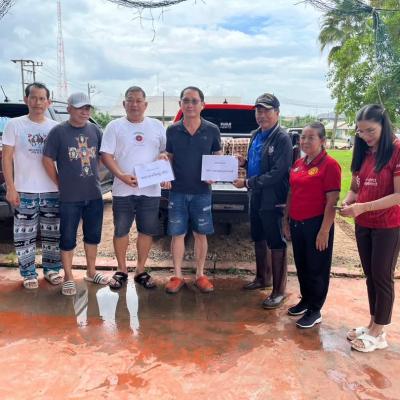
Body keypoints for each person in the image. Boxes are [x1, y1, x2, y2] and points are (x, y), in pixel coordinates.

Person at [340, 104, 400, 352]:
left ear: (384, 125)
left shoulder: (396, 150)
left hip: (388, 224)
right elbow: (356, 187)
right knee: (370, 275)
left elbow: (398, 196)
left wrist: (363, 207)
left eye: (370, 131)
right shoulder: (364, 151)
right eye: (360, 131)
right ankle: (372, 323)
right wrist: (348, 202)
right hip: (364, 224)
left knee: (382, 276)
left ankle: (379, 332)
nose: (365, 136)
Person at [100, 86, 167, 290]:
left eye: (138, 101)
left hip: (150, 190)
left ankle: (140, 270)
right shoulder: (114, 126)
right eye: (130, 100)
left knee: (146, 231)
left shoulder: (157, 126)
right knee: (121, 230)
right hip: (123, 190)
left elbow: (165, 152)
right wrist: (121, 175)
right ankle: (121, 270)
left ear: (145, 104)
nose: (134, 104)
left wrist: (163, 160)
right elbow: (106, 155)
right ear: (124, 104)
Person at [43, 92, 109, 296]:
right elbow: (47, 159)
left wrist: (94, 175)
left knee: (93, 236)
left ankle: (91, 272)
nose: (85, 111)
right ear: (69, 109)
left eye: (87, 108)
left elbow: (101, 156)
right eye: (80, 107)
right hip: (69, 197)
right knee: (68, 238)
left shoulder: (95, 130)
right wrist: (59, 182)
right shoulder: (58, 132)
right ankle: (69, 277)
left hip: (94, 194)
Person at [233, 93, 292, 309]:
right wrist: (244, 162)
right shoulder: (255, 134)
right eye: (258, 111)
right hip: (256, 194)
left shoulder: (282, 138)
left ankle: (279, 291)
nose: (262, 115)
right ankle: (262, 278)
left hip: (273, 197)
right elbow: (259, 162)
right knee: (258, 236)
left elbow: (278, 172)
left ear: (277, 113)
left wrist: (248, 182)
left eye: (267, 110)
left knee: (276, 241)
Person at [2, 82, 62, 289]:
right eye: (33, 98)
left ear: (48, 102)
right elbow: (6, 158)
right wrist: (11, 187)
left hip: (52, 189)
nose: (38, 102)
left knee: (52, 233)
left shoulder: (55, 128)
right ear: (26, 99)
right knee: (24, 235)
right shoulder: (14, 125)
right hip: (24, 190)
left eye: (42, 98)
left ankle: (52, 269)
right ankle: (28, 273)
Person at [165, 86, 222, 294]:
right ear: (180, 104)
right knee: (177, 234)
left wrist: (215, 173)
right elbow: (169, 157)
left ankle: (200, 274)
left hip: (202, 192)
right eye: (186, 100)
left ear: (202, 105)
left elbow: (217, 155)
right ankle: (177, 275)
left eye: (194, 101)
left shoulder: (212, 130)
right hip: (177, 191)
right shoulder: (172, 130)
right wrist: (164, 174)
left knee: (201, 233)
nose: (190, 105)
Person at [283, 122, 341, 328]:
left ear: (322, 141)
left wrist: (324, 230)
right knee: (302, 265)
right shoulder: (299, 163)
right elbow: (291, 193)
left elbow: (332, 201)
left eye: (311, 137)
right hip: (297, 222)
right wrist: (286, 220)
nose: (305, 141)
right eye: (303, 137)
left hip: (317, 224)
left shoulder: (330, 165)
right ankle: (306, 300)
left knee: (317, 268)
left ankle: (315, 310)